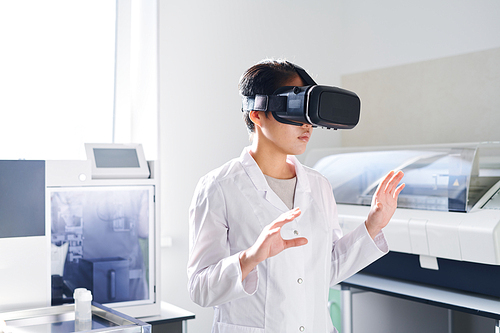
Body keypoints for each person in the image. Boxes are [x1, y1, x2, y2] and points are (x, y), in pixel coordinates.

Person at [187, 59, 405, 333]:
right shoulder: (218, 188)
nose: (307, 125)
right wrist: (251, 257)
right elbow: (200, 289)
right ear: (257, 113)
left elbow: (326, 270)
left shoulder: (318, 185)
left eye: (309, 113)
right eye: (294, 108)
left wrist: (373, 225)